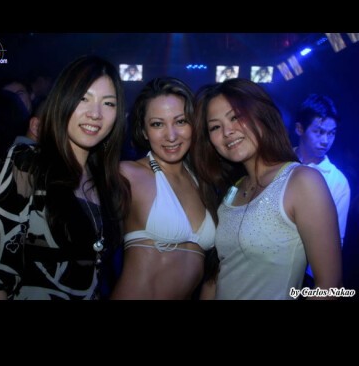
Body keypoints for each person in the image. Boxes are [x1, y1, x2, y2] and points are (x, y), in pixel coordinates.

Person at [0, 55, 128, 300]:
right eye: (83, 98)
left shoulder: (105, 180)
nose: (95, 113)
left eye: (109, 103)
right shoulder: (27, 164)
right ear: (62, 101)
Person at [193, 79, 342, 300]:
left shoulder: (302, 182)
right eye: (215, 127)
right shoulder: (231, 191)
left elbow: (330, 287)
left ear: (261, 115)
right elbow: (217, 274)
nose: (227, 131)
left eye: (235, 117)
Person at [111, 77, 216, 299]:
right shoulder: (127, 174)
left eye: (181, 121)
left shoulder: (205, 182)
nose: (171, 136)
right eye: (157, 124)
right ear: (144, 131)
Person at [295, 94, 350, 247]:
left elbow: (335, 242)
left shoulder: (337, 181)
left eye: (331, 133)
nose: (325, 141)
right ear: (299, 128)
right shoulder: (278, 163)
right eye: (319, 132)